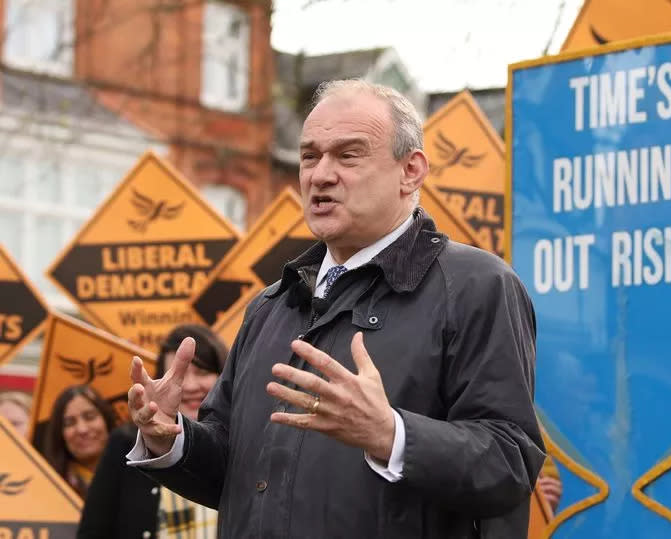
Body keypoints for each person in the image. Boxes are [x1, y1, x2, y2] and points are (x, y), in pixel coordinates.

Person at [127, 80, 544, 538]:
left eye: (348, 155)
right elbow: (239, 475)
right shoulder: (269, 306)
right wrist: (173, 438)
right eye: (310, 156)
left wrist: (392, 435)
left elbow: (511, 463)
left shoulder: (477, 286)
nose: (320, 175)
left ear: (411, 170)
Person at [78, 324, 227, 539]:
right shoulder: (126, 442)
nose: (191, 386)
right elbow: (94, 530)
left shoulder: (243, 439)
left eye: (202, 372)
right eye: (179, 375)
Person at [43, 385, 117, 498]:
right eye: (70, 423)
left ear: (107, 421)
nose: (82, 429)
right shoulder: (49, 489)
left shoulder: (137, 475)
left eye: (90, 417)